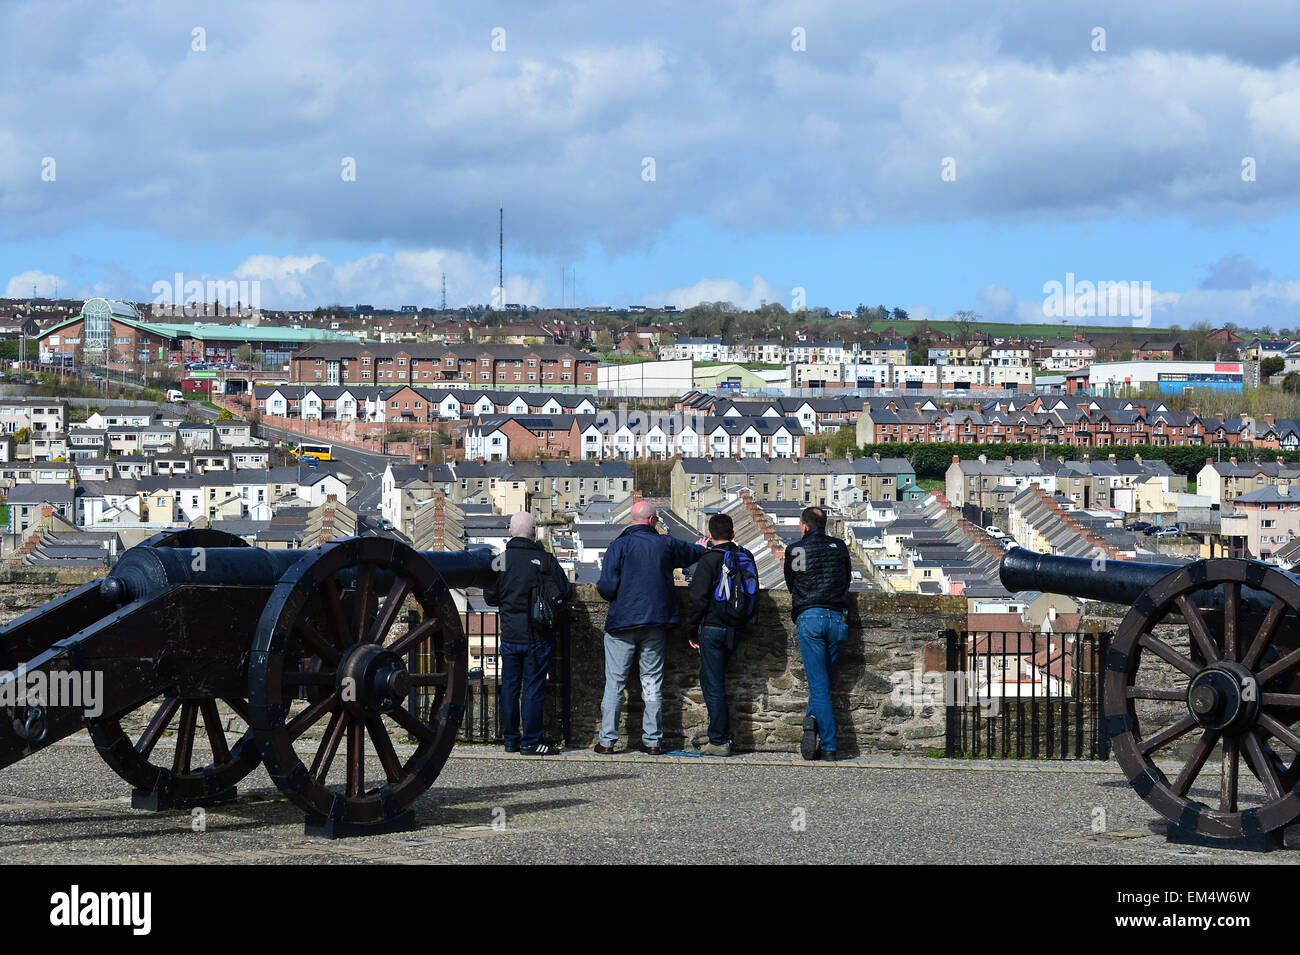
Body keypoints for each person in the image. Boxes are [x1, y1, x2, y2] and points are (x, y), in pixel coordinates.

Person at [595, 501, 708, 754]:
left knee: (615, 682)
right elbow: (690, 553)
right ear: (652, 520)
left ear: (633, 520)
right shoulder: (665, 543)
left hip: (623, 622)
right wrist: (701, 548)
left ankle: (607, 741)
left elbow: (606, 587)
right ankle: (652, 741)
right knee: (652, 681)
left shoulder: (618, 546)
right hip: (656, 622)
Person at [484, 512, 572, 756]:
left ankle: (511, 740)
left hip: (510, 635)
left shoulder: (498, 561)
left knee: (510, 688)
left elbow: (490, 598)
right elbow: (566, 591)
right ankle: (531, 741)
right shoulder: (545, 561)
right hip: (538, 634)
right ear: (534, 533)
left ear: (510, 532)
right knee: (533, 688)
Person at [683, 512, 756, 757]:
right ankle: (719, 731)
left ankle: (719, 739)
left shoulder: (709, 559)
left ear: (710, 535)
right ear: (733, 534)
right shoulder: (745, 556)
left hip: (712, 627)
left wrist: (691, 630)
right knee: (717, 680)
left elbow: (697, 599)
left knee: (713, 683)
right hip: (736, 628)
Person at [782, 506, 852, 761]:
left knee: (819, 685)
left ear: (804, 527)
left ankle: (830, 745)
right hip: (838, 619)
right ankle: (811, 720)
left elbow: (792, 584)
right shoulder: (840, 547)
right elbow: (846, 580)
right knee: (824, 681)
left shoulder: (795, 549)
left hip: (810, 617)